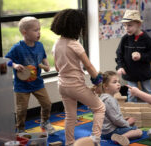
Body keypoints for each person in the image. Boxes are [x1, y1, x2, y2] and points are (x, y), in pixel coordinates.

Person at [51, 9, 105, 146]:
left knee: (70, 116)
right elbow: (89, 66)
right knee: (100, 108)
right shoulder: (75, 44)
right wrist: (99, 82)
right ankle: (95, 139)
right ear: (77, 27)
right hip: (75, 85)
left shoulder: (57, 44)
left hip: (62, 85)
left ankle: (69, 143)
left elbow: (58, 68)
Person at [5, 16, 55, 134]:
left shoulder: (40, 45)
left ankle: (45, 122)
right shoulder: (17, 48)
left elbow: (43, 57)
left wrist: (46, 65)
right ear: (24, 32)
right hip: (22, 85)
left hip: (37, 82)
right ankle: (21, 128)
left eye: (39, 29)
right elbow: (6, 59)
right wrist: (15, 65)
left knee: (47, 103)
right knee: (21, 109)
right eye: (35, 30)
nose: (39, 33)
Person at [116, 9, 151, 102]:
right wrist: (120, 66)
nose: (126, 28)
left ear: (138, 24)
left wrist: (141, 56)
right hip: (130, 73)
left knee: (147, 92)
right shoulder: (125, 39)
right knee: (132, 93)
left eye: (129, 25)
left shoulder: (146, 39)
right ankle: (132, 114)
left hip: (144, 73)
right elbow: (119, 54)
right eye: (125, 25)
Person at [98, 71, 142, 146]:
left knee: (127, 122)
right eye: (114, 82)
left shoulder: (102, 97)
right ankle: (121, 137)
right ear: (106, 86)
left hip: (103, 131)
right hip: (110, 132)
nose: (118, 84)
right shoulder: (110, 100)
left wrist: (123, 119)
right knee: (138, 131)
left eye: (118, 82)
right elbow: (116, 119)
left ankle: (119, 135)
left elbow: (110, 116)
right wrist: (127, 123)